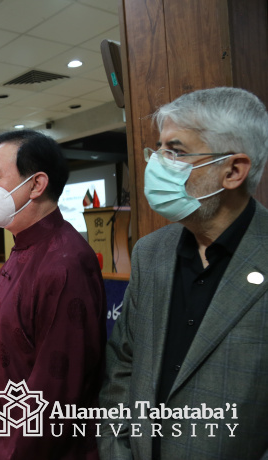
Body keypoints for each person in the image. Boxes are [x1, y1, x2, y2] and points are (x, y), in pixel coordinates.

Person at [98, 87, 268, 459]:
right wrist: (117, 449)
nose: (156, 163)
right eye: (158, 149)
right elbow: (123, 367)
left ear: (233, 170)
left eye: (175, 152)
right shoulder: (151, 252)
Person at [0, 130, 107, 459]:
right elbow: (8, 333)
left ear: (36, 185)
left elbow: (56, 395)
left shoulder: (64, 263)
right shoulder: (24, 246)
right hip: (1, 434)